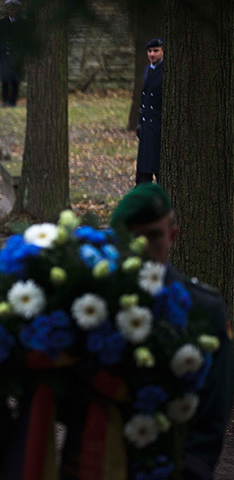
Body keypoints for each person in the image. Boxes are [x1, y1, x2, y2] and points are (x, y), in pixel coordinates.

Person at [110, 183, 234, 480]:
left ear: (172, 236)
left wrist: (190, 470)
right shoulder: (93, 305)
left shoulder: (204, 309)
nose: (143, 248)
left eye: (153, 236)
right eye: (133, 237)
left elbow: (214, 409)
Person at [136, 38, 164, 185]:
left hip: (158, 129)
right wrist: (140, 123)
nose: (152, 54)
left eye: (156, 51)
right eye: (150, 51)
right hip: (147, 128)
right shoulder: (148, 69)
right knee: (143, 173)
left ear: (163, 51)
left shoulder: (165, 70)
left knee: (160, 171)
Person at [0, 0, 28, 107]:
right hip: (5, 55)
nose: (12, 11)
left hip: (17, 56)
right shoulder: (2, 23)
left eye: (13, 9)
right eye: (10, 9)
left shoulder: (22, 23)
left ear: (17, 10)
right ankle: (5, 100)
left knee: (15, 79)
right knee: (5, 78)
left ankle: (13, 101)